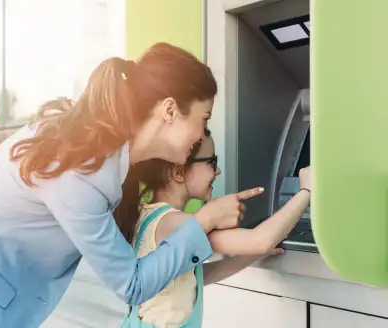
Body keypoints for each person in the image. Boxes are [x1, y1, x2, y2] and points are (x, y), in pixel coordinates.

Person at [0, 43, 261, 328]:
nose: (201, 134)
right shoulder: (80, 171)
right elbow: (132, 285)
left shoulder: (101, 154)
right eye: (203, 119)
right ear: (169, 110)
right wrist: (204, 221)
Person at [118, 128, 311, 328]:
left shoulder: (149, 215)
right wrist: (306, 191)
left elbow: (199, 276)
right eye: (212, 162)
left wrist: (253, 255)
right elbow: (261, 240)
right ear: (178, 172)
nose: (218, 171)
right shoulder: (174, 223)